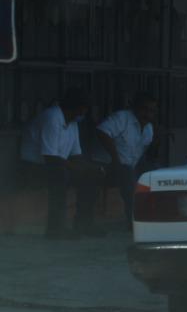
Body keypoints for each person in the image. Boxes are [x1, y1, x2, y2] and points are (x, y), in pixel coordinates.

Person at [19, 88, 103, 239]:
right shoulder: (52, 117)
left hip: (57, 165)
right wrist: (75, 168)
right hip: (33, 167)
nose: (85, 112)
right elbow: (50, 157)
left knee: (90, 175)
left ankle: (83, 223)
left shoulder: (73, 123)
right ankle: (56, 228)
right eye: (84, 108)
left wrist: (88, 168)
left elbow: (76, 155)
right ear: (75, 107)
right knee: (59, 175)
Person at [96, 92, 158, 224]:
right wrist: (115, 159)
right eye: (144, 109)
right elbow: (102, 131)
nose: (147, 114)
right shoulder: (122, 118)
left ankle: (154, 216)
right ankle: (133, 220)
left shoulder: (148, 129)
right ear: (136, 107)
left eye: (151, 111)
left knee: (155, 173)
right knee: (128, 175)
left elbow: (140, 154)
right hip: (107, 166)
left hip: (128, 167)